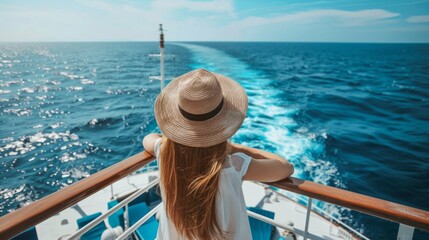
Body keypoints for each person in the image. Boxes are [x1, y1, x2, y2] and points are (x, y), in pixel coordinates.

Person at [143, 69, 294, 240]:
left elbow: (148, 139)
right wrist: (232, 148)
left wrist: (176, 141)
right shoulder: (234, 165)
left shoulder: (164, 153)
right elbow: (286, 167)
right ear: (222, 125)